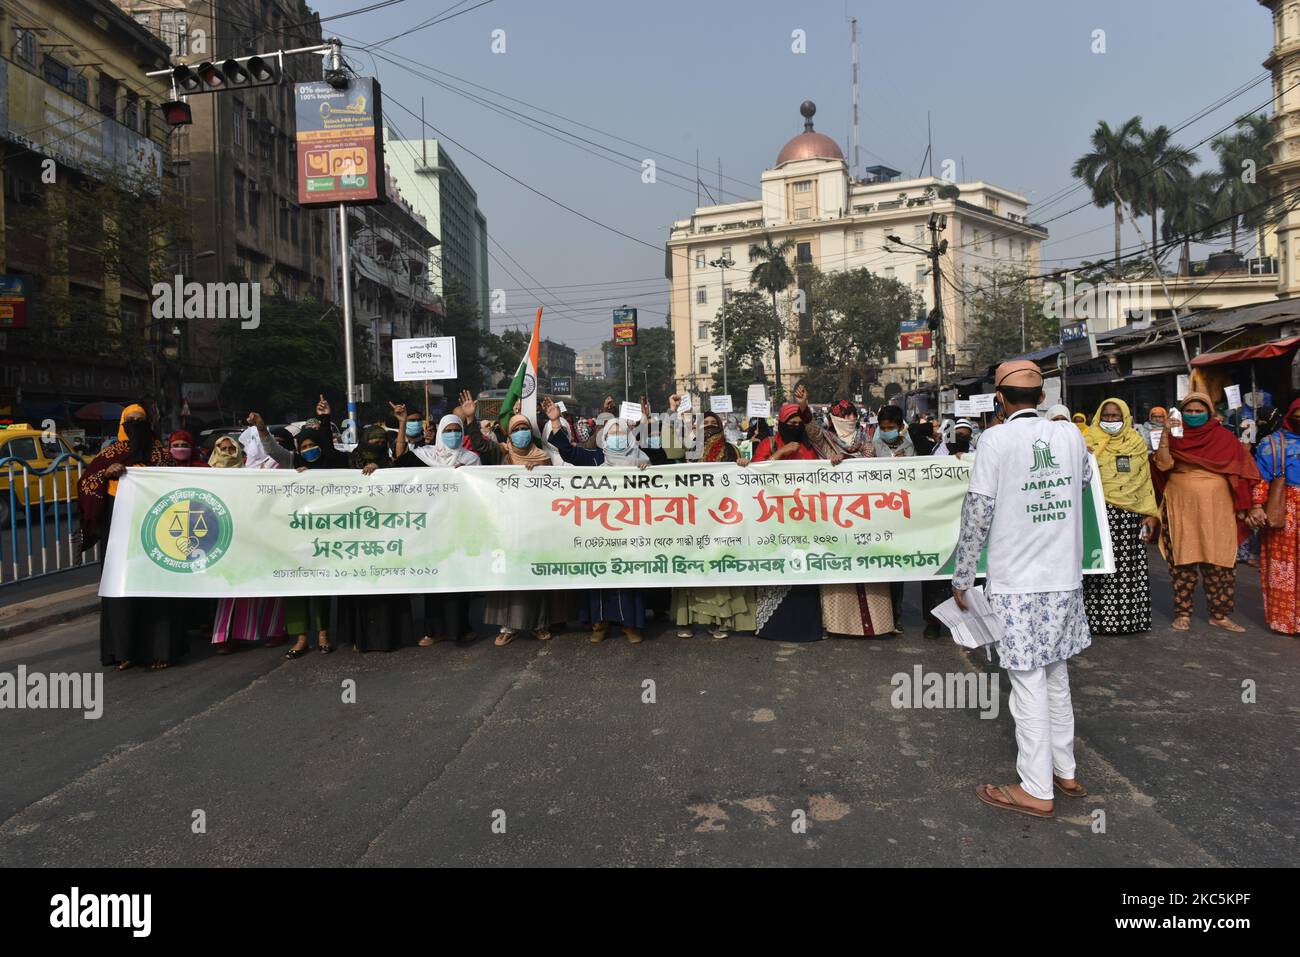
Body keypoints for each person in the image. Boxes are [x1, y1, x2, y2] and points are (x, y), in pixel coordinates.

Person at [954, 360, 1091, 819]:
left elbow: (978, 511)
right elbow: (1086, 480)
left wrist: (962, 575)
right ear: (1044, 397)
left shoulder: (994, 439)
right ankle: (1064, 769)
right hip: (1064, 579)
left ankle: (1036, 788)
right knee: (1055, 675)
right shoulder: (1070, 435)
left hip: (1018, 583)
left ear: (999, 400)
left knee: (1027, 683)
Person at [78, 403, 188, 671]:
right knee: (121, 588)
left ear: (149, 423)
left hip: (156, 532)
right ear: (122, 424)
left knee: (157, 588)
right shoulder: (110, 455)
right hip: (119, 531)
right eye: (131, 420)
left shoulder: (162, 455)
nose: (136, 424)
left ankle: (161, 650)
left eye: (141, 419)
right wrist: (106, 475)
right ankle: (123, 650)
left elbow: (180, 487)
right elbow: (87, 484)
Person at [545, 397, 652, 644]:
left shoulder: (642, 460)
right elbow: (569, 451)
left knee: (628, 577)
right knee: (600, 577)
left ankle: (630, 625)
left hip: (630, 528)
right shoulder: (594, 458)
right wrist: (555, 423)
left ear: (628, 435)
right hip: (599, 529)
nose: (616, 436)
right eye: (611, 433)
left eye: (620, 432)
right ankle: (599, 623)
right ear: (603, 437)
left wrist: (648, 472)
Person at [1152, 392, 1261, 633]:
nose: (1193, 415)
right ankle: (1183, 613)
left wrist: (1250, 505)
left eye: (1198, 411)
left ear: (1209, 412)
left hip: (1218, 507)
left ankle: (1219, 615)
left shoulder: (1225, 438)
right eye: (1188, 411)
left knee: (1220, 561)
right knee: (1182, 560)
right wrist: (1166, 434)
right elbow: (1162, 465)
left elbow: (1244, 471)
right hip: (1181, 505)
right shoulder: (1175, 437)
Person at [392, 404, 480, 647]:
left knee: (458, 581)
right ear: (440, 432)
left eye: (457, 430)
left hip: (459, 528)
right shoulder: (424, 455)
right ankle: (434, 630)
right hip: (430, 528)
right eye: (448, 430)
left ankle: (461, 629)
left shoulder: (471, 460)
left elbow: (481, 492)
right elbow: (397, 467)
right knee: (434, 580)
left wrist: (467, 476)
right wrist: (401, 424)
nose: (453, 434)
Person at [481, 406, 570, 645]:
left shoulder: (542, 457)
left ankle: (539, 625)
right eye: (516, 429)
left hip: (535, 527)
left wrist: (538, 473)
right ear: (508, 436)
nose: (521, 433)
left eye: (525, 429)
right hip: (508, 526)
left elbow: (552, 492)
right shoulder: (503, 456)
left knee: (534, 576)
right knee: (509, 577)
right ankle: (507, 627)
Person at [668, 409, 758, 638]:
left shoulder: (731, 450)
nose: (708, 426)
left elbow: (743, 480)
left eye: (712, 422)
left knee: (719, 567)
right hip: (695, 518)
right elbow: (669, 460)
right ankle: (686, 620)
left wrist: (743, 464)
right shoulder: (690, 450)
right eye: (704, 423)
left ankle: (720, 622)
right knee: (693, 568)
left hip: (723, 520)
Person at [749, 403, 828, 642]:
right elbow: (754, 474)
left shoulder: (809, 446)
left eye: (797, 424)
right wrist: (781, 454)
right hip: (774, 518)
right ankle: (773, 626)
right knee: (776, 569)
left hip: (804, 518)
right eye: (789, 424)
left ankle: (808, 627)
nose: (794, 427)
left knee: (805, 571)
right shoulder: (769, 444)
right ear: (781, 424)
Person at [1082, 398, 1159, 635]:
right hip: (1095, 511)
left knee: (1127, 566)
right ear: (1098, 416)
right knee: (1096, 565)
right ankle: (1093, 620)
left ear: (1125, 417)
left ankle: (1128, 620)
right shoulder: (1086, 441)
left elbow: (1144, 479)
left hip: (1129, 516)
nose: (1111, 420)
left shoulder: (1136, 443)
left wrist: (1149, 513)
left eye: (1116, 416)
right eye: (1106, 416)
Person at [282, 397, 346, 659]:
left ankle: (322, 633)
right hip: (296, 536)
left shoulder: (331, 465)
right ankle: (299, 638)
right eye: (304, 446)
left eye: (313, 445)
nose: (309, 449)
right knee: (295, 588)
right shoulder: (293, 470)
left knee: (319, 586)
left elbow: (329, 451)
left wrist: (325, 420)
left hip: (323, 535)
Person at [1249, 398, 1300, 634]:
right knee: (1283, 567)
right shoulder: (1272, 444)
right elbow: (1261, 479)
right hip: (1284, 508)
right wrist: (1257, 506)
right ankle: (1285, 621)